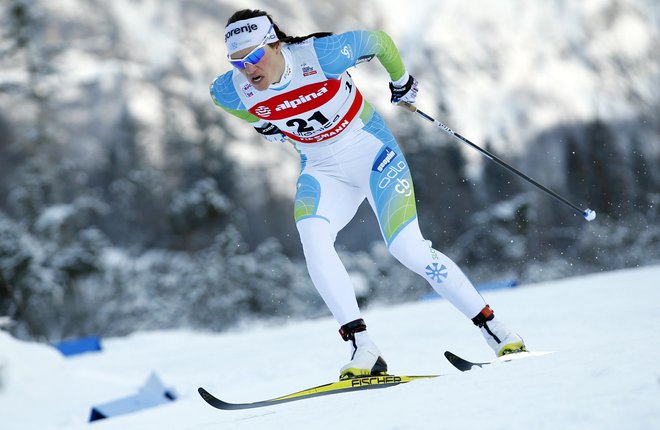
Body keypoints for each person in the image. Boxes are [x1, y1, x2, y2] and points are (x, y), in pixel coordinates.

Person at [211, 9, 526, 380]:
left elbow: (378, 42)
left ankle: (496, 330)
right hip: (322, 171)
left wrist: (402, 82)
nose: (247, 67)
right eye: (238, 60)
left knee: (408, 250)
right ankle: (363, 348)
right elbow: (230, 103)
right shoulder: (231, 89)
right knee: (314, 241)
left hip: (374, 156)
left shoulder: (320, 55)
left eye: (254, 55)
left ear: (276, 45)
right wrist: (266, 125)